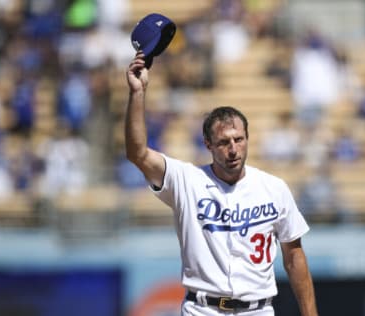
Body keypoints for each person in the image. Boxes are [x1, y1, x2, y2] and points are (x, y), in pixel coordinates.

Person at [125, 51, 318, 316]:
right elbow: (138, 153)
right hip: (204, 309)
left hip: (258, 310)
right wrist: (138, 93)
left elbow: (294, 256)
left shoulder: (274, 188)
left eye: (239, 139)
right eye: (224, 142)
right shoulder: (187, 181)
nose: (233, 149)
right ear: (208, 145)